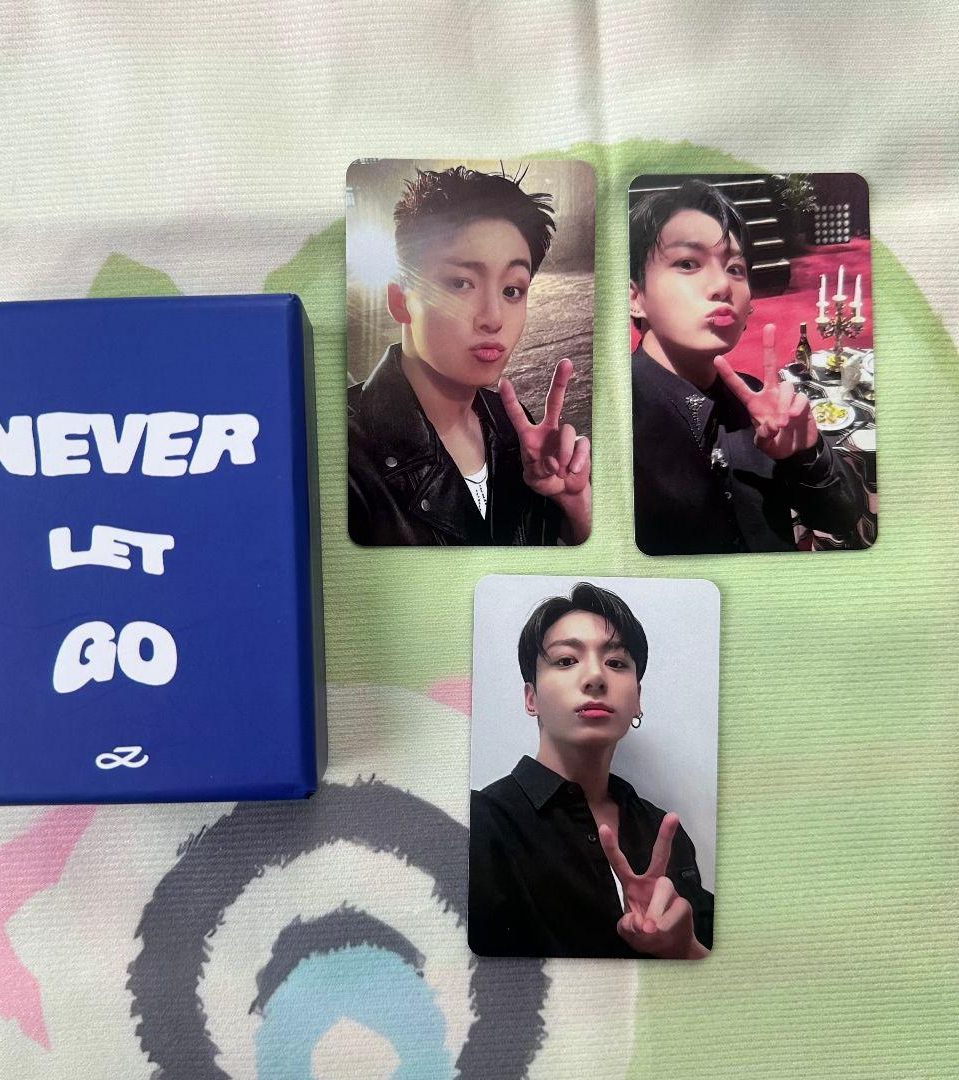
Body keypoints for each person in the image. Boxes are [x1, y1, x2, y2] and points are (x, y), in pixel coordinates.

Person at [348, 166, 591, 546]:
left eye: (512, 290)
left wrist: (574, 506)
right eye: (461, 283)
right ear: (400, 301)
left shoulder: (514, 429)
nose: (493, 318)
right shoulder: (346, 457)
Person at [469, 582, 713, 959]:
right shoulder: (481, 822)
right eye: (567, 660)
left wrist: (685, 950)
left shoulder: (663, 831)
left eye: (616, 663)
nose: (596, 677)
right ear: (531, 698)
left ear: (637, 699)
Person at [628, 179, 865, 554]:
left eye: (735, 268)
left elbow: (841, 519)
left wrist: (806, 455)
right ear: (635, 297)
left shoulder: (758, 403)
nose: (722, 284)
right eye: (687, 263)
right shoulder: (617, 419)